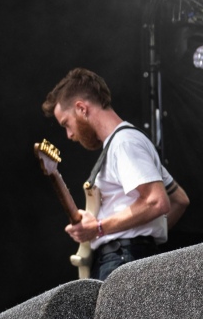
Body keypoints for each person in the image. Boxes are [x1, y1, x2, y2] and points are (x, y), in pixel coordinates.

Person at [42, 67, 190, 280]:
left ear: (82, 108)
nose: (69, 134)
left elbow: (158, 202)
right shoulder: (124, 143)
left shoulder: (124, 143)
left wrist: (100, 227)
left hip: (122, 260)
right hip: (129, 258)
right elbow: (179, 200)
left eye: (67, 123)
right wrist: (147, 236)